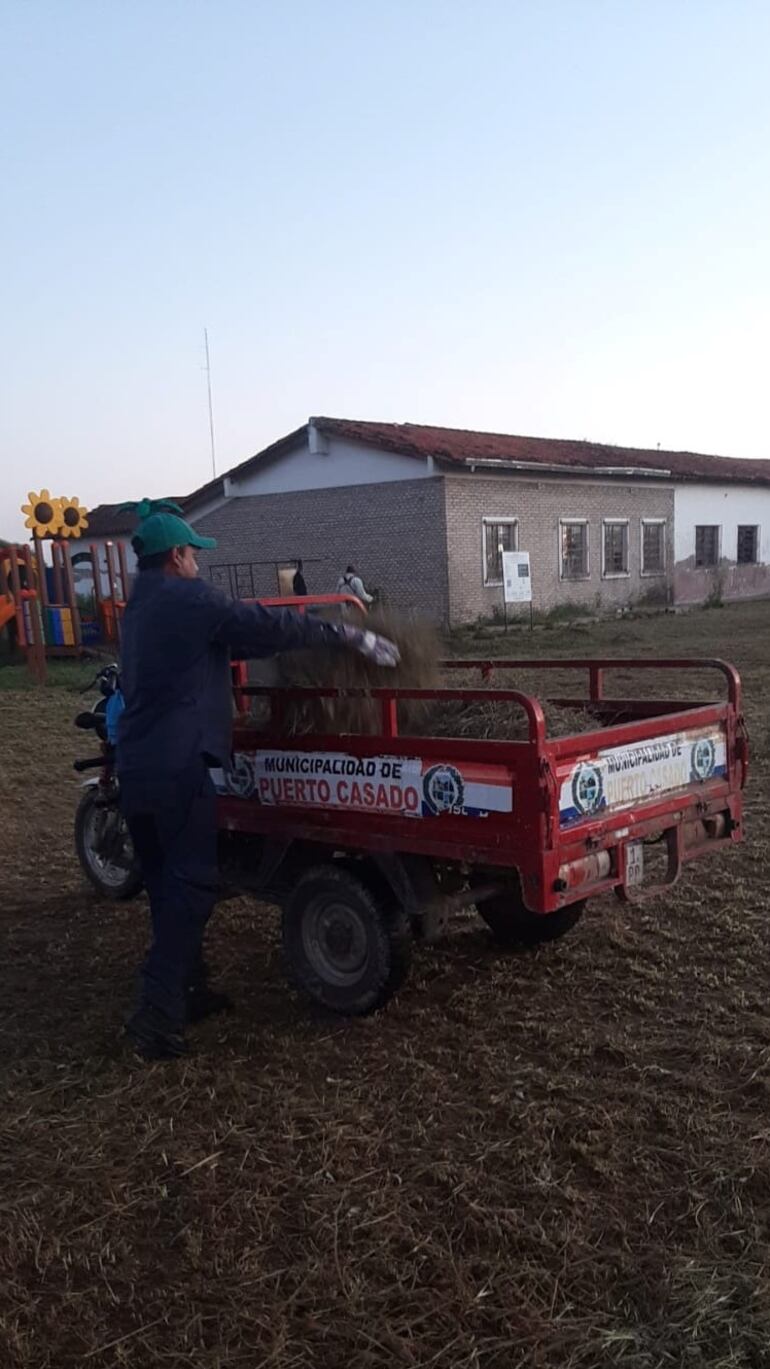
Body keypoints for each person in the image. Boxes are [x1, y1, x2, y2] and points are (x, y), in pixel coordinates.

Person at [116, 499, 399, 1061]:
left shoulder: (141, 605)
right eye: (195, 555)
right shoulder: (188, 597)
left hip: (137, 766)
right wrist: (348, 638)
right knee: (192, 886)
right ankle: (155, 1015)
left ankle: (188, 989)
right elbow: (264, 624)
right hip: (178, 768)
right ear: (176, 556)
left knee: (165, 884)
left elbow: (239, 641)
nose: (198, 564)